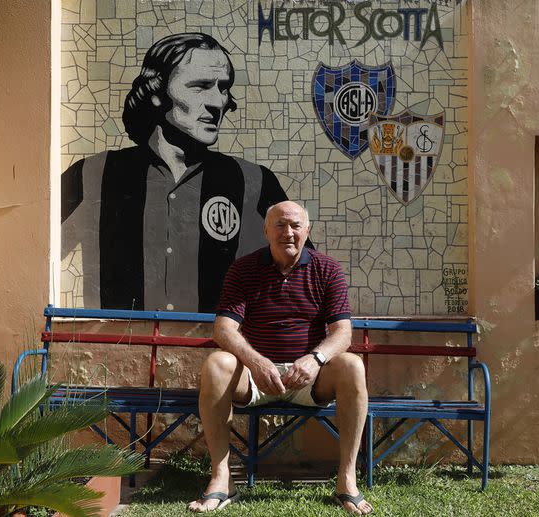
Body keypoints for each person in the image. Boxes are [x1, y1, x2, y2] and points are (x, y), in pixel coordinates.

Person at [61, 32, 290, 312]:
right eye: (201, 86)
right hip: (116, 348)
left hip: (219, 352)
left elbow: (303, 274)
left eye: (223, 87)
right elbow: (29, 257)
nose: (218, 103)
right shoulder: (92, 174)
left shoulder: (254, 181)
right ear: (157, 92)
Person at [189, 201, 374, 515]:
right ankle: (222, 478)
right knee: (216, 364)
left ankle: (346, 480)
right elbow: (224, 329)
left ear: (307, 230)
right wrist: (257, 362)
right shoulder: (243, 269)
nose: (288, 232)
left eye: (295, 225)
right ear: (265, 230)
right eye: (279, 225)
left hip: (310, 378)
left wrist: (315, 359)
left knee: (353, 366)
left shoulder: (327, 269)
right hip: (256, 379)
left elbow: (342, 333)